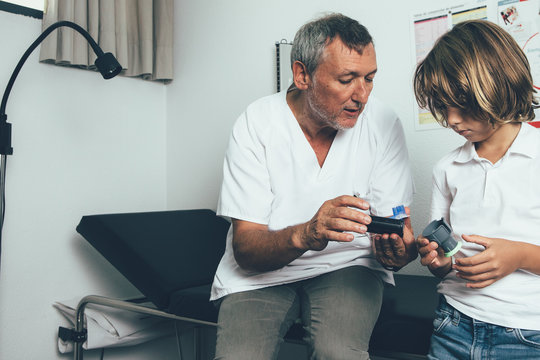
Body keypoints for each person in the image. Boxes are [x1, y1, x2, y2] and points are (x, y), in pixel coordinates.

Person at [211, 13, 416, 360]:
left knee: (339, 352)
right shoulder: (257, 123)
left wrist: (401, 252)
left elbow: (399, 228)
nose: (361, 95)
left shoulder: (382, 122)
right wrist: (307, 233)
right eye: (347, 79)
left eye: (369, 78)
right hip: (261, 270)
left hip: (349, 265)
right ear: (302, 75)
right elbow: (246, 249)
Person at [413, 20, 540, 359]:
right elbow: (444, 258)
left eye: (462, 106)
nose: (452, 120)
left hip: (528, 333)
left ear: (499, 88)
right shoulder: (447, 168)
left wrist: (521, 256)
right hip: (452, 324)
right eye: (443, 106)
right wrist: (437, 261)